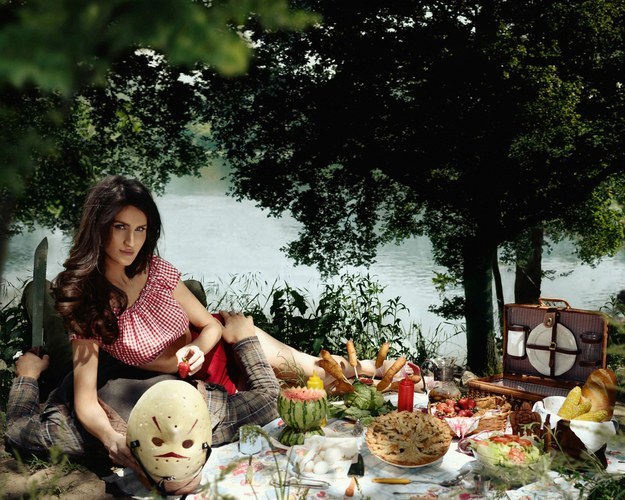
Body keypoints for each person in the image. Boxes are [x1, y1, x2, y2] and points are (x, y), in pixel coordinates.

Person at [5, 311, 280, 497]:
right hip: (150, 342)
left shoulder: (79, 434)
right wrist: (244, 337)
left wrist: (28, 375)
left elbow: (18, 430)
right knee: (186, 293)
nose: (176, 433)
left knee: (58, 314)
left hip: (87, 357)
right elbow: (270, 397)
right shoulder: (214, 415)